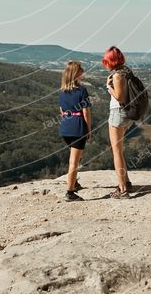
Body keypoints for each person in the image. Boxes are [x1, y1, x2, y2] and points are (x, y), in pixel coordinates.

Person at [103, 45, 133, 198]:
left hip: (118, 113)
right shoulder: (127, 71)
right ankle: (126, 182)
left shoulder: (117, 76)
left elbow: (119, 97)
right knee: (119, 151)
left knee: (116, 152)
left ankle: (122, 189)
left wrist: (109, 87)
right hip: (128, 114)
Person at [59, 61, 92, 201]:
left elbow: (61, 111)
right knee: (74, 162)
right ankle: (70, 192)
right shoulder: (82, 91)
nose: (83, 71)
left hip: (65, 128)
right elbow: (86, 113)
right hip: (78, 127)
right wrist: (88, 129)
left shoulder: (62, 92)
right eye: (80, 69)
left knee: (74, 158)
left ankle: (74, 183)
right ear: (76, 73)